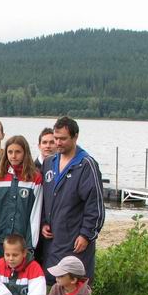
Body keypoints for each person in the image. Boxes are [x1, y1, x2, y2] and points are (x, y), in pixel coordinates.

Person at [41, 117, 105, 282]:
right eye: (56, 138)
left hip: (75, 238)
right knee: (52, 281)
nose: (58, 143)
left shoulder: (86, 165)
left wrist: (86, 235)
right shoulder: (49, 163)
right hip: (53, 238)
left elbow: (95, 205)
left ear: (75, 137)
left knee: (75, 283)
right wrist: (43, 222)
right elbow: (43, 198)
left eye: (63, 139)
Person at [0, 134, 43, 262]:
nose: (13, 156)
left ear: (25, 153)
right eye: (10, 152)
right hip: (1, 241)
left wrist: (31, 244)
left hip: (22, 242)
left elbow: (35, 214)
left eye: (18, 152)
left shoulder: (34, 178)